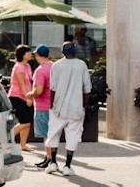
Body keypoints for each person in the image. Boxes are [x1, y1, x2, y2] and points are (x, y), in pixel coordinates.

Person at [40, 43, 92, 176]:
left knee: (53, 134)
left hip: (58, 107)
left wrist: (51, 105)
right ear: (75, 51)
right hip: (76, 108)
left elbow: (53, 89)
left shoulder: (56, 66)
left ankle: (53, 163)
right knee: (73, 136)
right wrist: (83, 106)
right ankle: (68, 166)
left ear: (62, 52)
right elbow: (87, 89)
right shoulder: (81, 65)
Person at [6, 45, 36, 149]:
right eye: (28, 53)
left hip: (26, 96)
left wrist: (31, 96)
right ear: (22, 55)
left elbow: (30, 83)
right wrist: (27, 97)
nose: (30, 54)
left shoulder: (27, 66)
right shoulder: (18, 67)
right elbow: (22, 84)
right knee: (25, 122)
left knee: (27, 123)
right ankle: (6, 138)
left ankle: (23, 145)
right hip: (17, 97)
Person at [29, 45, 55, 151]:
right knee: (53, 134)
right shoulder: (54, 67)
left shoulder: (40, 70)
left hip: (42, 106)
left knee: (46, 134)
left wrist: (30, 94)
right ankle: (50, 158)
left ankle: (48, 158)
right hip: (55, 105)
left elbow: (39, 90)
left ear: (37, 55)